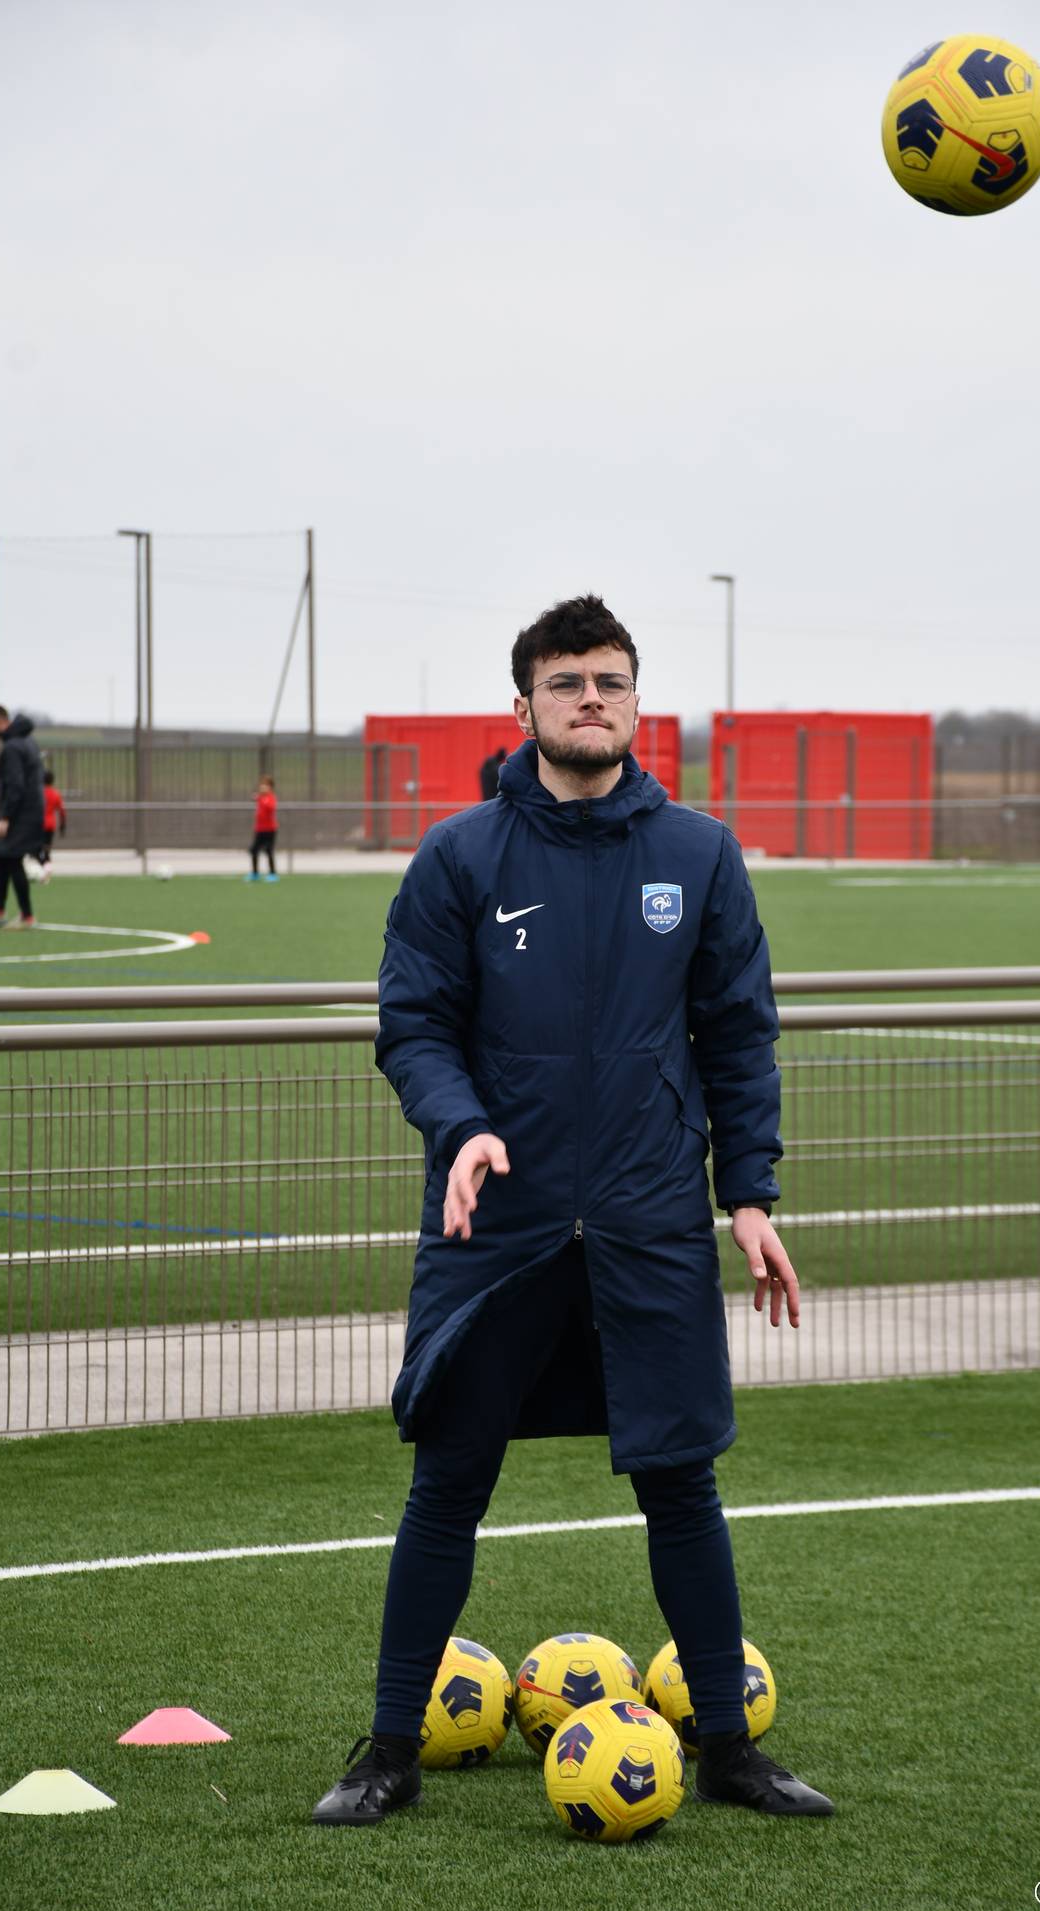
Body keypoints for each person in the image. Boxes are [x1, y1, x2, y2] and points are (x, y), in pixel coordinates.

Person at [311, 594, 833, 1828]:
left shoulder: (699, 854)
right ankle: (387, 1747)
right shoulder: (459, 856)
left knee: (681, 1483)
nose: (588, 699)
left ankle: (726, 1748)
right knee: (448, 1481)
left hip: (650, 1221)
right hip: (498, 1224)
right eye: (565, 682)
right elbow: (414, 1025)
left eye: (607, 680)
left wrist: (747, 1195)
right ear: (525, 707)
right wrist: (462, 1127)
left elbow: (737, 1035)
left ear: (635, 703)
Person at [0, 705, 44, 929]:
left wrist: (6, 817)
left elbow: (16, 785)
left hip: (20, 813)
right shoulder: (27, 741)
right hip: (29, 810)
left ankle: (27, 916)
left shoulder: (13, 747)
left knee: (13, 859)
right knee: (0, 855)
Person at [34, 769, 67, 882]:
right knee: (46, 850)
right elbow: (62, 811)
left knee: (35, 850)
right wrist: (63, 825)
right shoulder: (55, 794)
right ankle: (46, 875)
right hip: (50, 826)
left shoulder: (38, 793)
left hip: (39, 825)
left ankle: (45, 869)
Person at [247, 775, 279, 882]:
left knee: (268, 850)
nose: (262, 787)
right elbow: (254, 798)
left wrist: (262, 799)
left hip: (270, 829)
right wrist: (258, 798)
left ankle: (272, 874)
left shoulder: (271, 797)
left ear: (270, 787)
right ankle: (255, 873)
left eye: (265, 785)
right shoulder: (260, 797)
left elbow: (271, 808)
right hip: (259, 829)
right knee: (254, 850)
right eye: (261, 785)